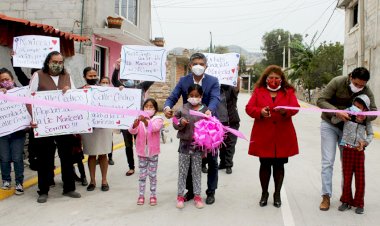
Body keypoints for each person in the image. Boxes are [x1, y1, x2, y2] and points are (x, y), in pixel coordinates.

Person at [316, 67, 377, 211]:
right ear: (350, 77)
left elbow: (374, 111)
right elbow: (320, 100)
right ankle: (326, 196)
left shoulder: (366, 90)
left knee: (347, 166)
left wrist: (365, 116)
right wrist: (337, 112)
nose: (359, 88)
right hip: (330, 124)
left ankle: (346, 198)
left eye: (362, 86)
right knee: (327, 162)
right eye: (356, 84)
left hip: (349, 132)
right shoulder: (337, 82)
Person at [164, 52, 220, 205]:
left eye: (201, 64)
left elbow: (215, 98)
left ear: (206, 66)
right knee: (189, 161)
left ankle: (210, 192)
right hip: (189, 130)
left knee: (212, 160)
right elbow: (173, 96)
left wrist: (211, 110)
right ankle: (190, 191)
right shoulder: (183, 80)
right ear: (190, 66)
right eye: (195, 63)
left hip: (208, 129)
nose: (198, 66)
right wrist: (167, 107)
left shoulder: (213, 81)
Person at [29, 51, 81, 203]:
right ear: (47, 62)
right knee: (45, 158)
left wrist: (68, 92)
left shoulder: (67, 76)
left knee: (66, 156)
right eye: (55, 61)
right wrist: (33, 118)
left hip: (63, 124)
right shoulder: (38, 75)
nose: (58, 64)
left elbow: (76, 97)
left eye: (60, 62)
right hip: (44, 126)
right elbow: (29, 98)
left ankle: (69, 188)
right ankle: (43, 190)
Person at [245, 65, 299, 208]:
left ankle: (277, 193)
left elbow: (295, 107)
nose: (274, 80)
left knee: (279, 165)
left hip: (282, 134)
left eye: (277, 78)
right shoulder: (258, 91)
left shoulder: (288, 92)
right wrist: (260, 112)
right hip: (264, 134)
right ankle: (264, 193)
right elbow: (249, 108)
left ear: (281, 79)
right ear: (266, 79)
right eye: (271, 78)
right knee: (264, 165)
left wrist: (285, 111)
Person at [331, 95, 373, 214]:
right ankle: (346, 201)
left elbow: (370, 134)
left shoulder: (366, 120)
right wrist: (340, 115)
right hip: (347, 150)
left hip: (359, 152)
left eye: (359, 107)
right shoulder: (348, 114)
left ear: (365, 110)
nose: (355, 108)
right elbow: (334, 120)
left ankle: (359, 203)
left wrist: (365, 143)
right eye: (354, 105)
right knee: (347, 176)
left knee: (360, 178)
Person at [112, 58, 154, 176]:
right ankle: (131, 167)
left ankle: (143, 166)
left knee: (141, 144)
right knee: (128, 145)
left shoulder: (141, 86)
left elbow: (152, 79)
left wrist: (160, 67)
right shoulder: (121, 86)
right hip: (126, 122)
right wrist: (116, 68)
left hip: (139, 121)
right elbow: (114, 80)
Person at [174, 84, 208, 209]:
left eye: (197, 96)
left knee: (196, 172)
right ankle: (180, 196)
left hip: (198, 147)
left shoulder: (205, 110)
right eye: (191, 95)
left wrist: (209, 116)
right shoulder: (182, 109)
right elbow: (174, 121)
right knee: (183, 172)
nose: (194, 98)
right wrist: (180, 122)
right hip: (184, 145)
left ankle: (197, 196)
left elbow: (210, 127)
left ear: (201, 96)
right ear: (187, 96)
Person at [81, 67, 112, 192]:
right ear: (85, 77)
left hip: (104, 126)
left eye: (95, 75)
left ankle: (104, 180)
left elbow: (116, 98)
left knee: (104, 154)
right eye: (90, 76)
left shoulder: (104, 90)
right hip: (89, 127)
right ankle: (92, 181)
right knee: (92, 154)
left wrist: (120, 89)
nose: (93, 78)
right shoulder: (80, 91)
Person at [128, 98, 163, 206]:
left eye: (151, 107)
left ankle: (153, 195)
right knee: (142, 176)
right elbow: (132, 131)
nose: (148, 108)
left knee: (152, 175)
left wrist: (144, 121)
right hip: (142, 152)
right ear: (143, 108)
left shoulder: (158, 119)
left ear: (155, 109)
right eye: (146, 106)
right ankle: (141, 195)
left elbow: (154, 128)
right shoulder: (139, 120)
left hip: (153, 152)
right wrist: (134, 125)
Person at [0, 68, 26, 195]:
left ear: (12, 80)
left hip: (18, 133)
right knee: (4, 158)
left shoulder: (21, 93)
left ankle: (19, 182)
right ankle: (6, 180)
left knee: (17, 158)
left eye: (7, 79)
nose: (5, 82)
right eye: (2, 80)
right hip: (3, 133)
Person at [217, 79, 241, 174]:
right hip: (219, 121)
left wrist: (236, 76)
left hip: (232, 121)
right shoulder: (215, 89)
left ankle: (228, 165)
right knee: (221, 144)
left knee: (230, 143)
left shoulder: (231, 89)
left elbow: (236, 89)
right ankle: (222, 162)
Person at [99, 76, 115, 165]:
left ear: (109, 84)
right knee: (99, 139)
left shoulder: (113, 93)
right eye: (103, 82)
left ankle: (110, 157)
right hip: (98, 120)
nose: (104, 84)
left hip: (108, 120)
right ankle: (99, 156)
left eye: (106, 82)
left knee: (109, 139)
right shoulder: (96, 92)